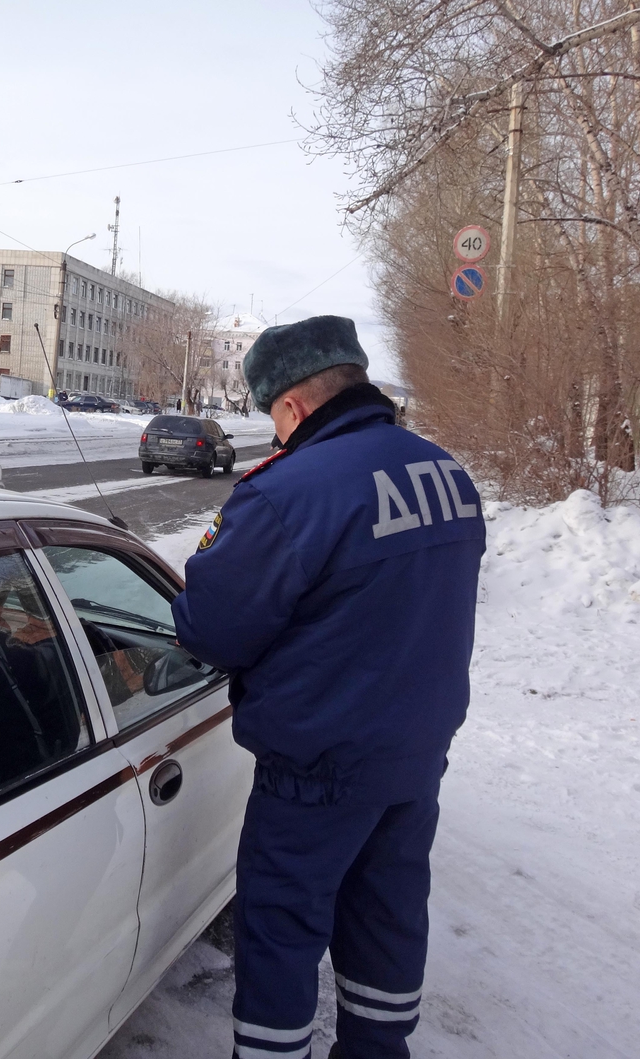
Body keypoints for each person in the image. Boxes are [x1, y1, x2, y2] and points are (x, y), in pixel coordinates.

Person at [172, 315, 485, 1059]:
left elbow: (212, 631)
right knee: (386, 915)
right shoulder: (444, 471)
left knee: (280, 931)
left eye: (271, 417)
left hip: (316, 766)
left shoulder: (289, 492)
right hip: (413, 755)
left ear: (293, 405)